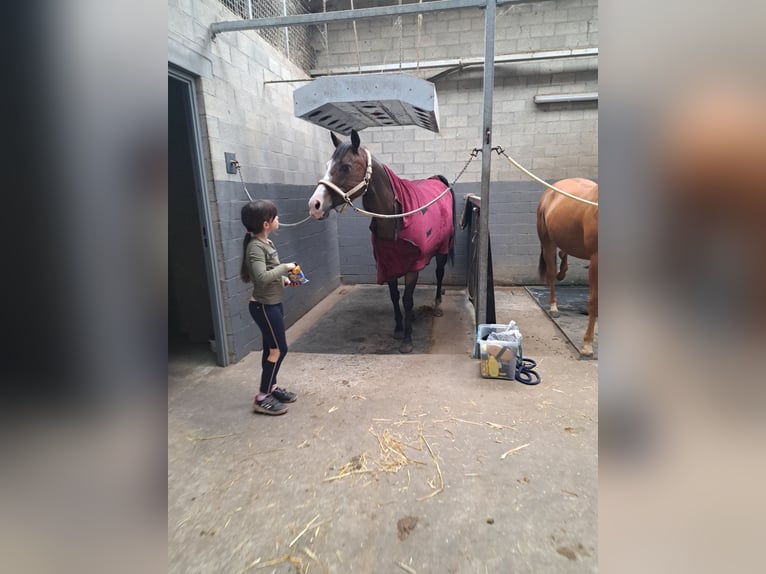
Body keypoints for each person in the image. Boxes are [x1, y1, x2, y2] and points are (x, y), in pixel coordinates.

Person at [240, 199, 298, 415]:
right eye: (275, 217)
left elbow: (268, 273)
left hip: (273, 304)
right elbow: (261, 277)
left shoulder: (266, 243)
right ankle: (262, 396)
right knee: (278, 349)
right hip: (264, 307)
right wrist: (285, 268)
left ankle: (272, 388)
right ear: (266, 224)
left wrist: (284, 279)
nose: (278, 220)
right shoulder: (255, 247)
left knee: (271, 349)